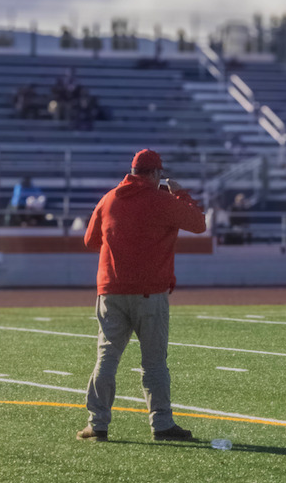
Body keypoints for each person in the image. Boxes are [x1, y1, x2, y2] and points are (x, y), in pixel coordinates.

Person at [77, 149, 206, 442]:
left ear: (133, 171)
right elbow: (199, 224)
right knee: (154, 362)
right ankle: (161, 425)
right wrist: (181, 195)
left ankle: (97, 424)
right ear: (156, 173)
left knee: (106, 358)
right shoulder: (164, 201)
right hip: (150, 292)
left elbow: (89, 241)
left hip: (111, 290)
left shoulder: (109, 199)